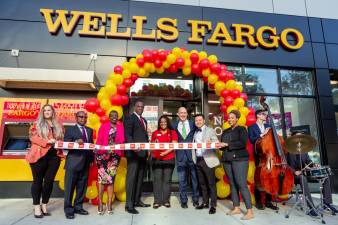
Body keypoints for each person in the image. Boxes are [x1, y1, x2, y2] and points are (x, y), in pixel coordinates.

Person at [25, 104, 64, 218]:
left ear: (53, 112)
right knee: (37, 181)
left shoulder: (59, 125)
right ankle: (37, 206)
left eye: (49, 110)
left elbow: (61, 138)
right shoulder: (36, 124)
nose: (47, 112)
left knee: (49, 182)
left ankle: (44, 204)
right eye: (45, 110)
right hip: (38, 155)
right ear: (43, 112)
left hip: (54, 156)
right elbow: (32, 137)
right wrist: (47, 141)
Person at [287, 132, 338, 217]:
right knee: (302, 178)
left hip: (305, 173)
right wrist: (294, 171)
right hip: (295, 175)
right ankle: (311, 207)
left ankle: (327, 203)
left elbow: (309, 162)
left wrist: (314, 165)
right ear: (293, 139)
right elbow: (287, 165)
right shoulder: (289, 151)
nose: (299, 139)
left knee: (325, 176)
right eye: (297, 137)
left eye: (300, 137)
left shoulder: (304, 151)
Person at [220, 110, 254, 220]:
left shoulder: (242, 129)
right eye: (229, 118)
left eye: (232, 118)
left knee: (241, 184)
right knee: (232, 184)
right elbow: (222, 145)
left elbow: (242, 143)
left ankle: (249, 211)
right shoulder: (225, 131)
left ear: (237, 118)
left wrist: (228, 144)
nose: (230, 120)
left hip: (239, 160)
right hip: (227, 160)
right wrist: (217, 144)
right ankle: (236, 207)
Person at [63, 111, 94, 219]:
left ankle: (78, 207)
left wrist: (91, 160)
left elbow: (90, 146)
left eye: (85, 117)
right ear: (76, 118)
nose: (83, 119)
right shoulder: (70, 130)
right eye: (81, 117)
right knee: (69, 188)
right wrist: (76, 141)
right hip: (73, 163)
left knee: (82, 187)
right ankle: (68, 209)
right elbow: (65, 144)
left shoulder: (90, 130)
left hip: (86, 163)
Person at [248, 109, 278, 210]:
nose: (265, 116)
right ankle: (259, 202)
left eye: (265, 114)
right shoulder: (251, 127)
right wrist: (262, 134)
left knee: (270, 178)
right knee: (259, 179)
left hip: (269, 157)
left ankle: (269, 201)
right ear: (258, 116)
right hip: (259, 156)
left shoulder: (268, 126)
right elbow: (252, 140)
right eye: (263, 114)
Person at [124, 99, 151, 214]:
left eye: (142, 107)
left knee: (140, 178)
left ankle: (137, 200)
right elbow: (128, 134)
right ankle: (129, 205)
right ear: (135, 107)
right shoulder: (130, 118)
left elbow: (144, 137)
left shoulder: (143, 120)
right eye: (138, 106)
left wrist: (147, 149)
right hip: (133, 153)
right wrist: (133, 146)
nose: (140, 108)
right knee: (131, 179)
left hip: (143, 154)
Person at [96, 110, 125, 215]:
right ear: (109, 117)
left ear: (118, 117)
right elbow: (99, 140)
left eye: (116, 116)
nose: (114, 117)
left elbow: (122, 141)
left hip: (114, 157)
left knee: (110, 180)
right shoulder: (103, 126)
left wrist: (116, 149)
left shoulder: (121, 127)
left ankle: (109, 203)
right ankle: (100, 202)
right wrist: (98, 153)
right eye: (112, 115)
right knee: (102, 180)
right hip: (102, 156)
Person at [192, 114, 220, 214]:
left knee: (211, 184)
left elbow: (216, 142)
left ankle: (213, 205)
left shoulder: (210, 130)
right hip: (198, 159)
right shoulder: (195, 132)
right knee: (202, 184)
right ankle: (205, 203)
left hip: (207, 159)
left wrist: (211, 142)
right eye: (196, 120)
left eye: (200, 120)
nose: (198, 122)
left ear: (204, 120)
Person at [173, 107, 199, 208]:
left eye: (185, 113)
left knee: (194, 179)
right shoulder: (174, 125)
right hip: (180, 155)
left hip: (192, 155)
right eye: (181, 113)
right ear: (178, 114)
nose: (183, 114)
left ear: (187, 114)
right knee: (181, 179)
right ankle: (183, 200)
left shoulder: (193, 123)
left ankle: (195, 199)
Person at [151, 115, 178, 209]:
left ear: (168, 122)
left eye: (165, 121)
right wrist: (155, 143)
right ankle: (157, 201)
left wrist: (165, 152)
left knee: (167, 180)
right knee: (157, 180)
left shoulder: (173, 132)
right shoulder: (155, 133)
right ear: (159, 123)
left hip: (169, 159)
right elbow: (151, 146)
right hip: (157, 159)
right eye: (161, 122)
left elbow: (174, 145)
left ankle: (166, 201)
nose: (163, 123)